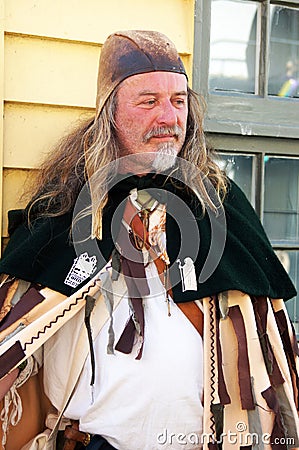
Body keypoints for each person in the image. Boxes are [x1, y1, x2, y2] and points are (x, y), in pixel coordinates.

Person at [0, 30, 298, 450]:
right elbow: (19, 329)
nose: (169, 118)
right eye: (148, 101)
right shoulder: (62, 209)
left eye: (179, 101)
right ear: (110, 113)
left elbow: (264, 338)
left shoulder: (223, 207)